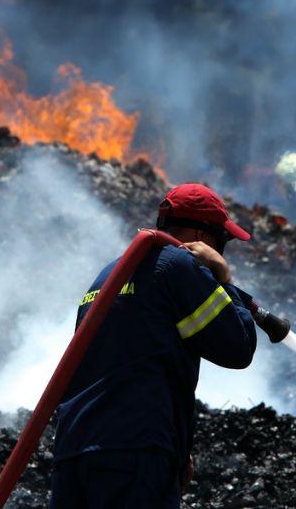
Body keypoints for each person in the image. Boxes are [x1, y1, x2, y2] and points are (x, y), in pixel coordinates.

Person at [49, 183, 258, 508]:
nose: (222, 249)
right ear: (202, 237)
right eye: (223, 240)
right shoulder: (178, 267)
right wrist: (224, 279)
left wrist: (177, 447)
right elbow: (238, 348)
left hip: (74, 451)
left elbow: (132, 359)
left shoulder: (109, 275)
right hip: (135, 451)